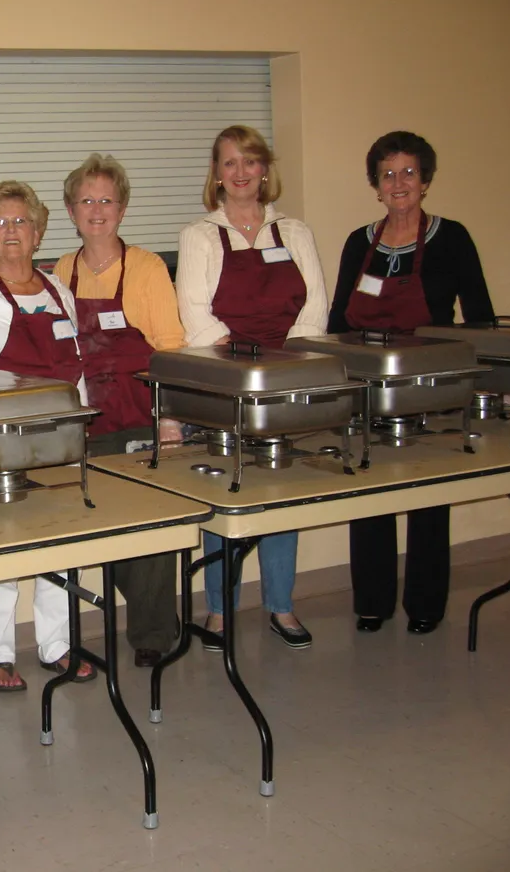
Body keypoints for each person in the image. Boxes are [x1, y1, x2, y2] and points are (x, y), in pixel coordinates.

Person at [329, 131, 495, 635]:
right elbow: (339, 319)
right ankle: (372, 603)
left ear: (425, 180)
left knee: (427, 496)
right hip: (369, 389)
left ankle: (425, 604)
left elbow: (480, 318)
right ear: (375, 185)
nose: (398, 182)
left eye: (408, 172)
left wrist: (478, 386)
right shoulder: (360, 242)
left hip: (432, 386)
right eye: (387, 173)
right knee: (370, 493)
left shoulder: (452, 237)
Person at [176, 125, 329, 649]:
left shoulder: (295, 231)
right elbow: (196, 317)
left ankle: (282, 606)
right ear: (216, 175)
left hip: (286, 381)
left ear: (265, 168)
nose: (239, 172)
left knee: (281, 492)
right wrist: (246, 370)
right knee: (228, 494)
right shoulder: (199, 234)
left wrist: (289, 367)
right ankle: (220, 610)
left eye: (249, 161)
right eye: (228, 163)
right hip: (226, 384)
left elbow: (315, 310)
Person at [0, 181, 97, 692]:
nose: (11, 231)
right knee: (4, 544)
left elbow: (76, 364)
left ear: (38, 232)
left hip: (59, 435)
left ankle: (56, 645)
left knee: (59, 539)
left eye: (21, 221)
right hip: (2, 439)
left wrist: (80, 420)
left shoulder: (58, 288)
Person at [52, 153, 186, 668]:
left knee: (147, 528)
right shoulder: (61, 272)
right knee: (105, 524)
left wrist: (169, 418)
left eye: (106, 199)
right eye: (86, 200)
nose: (97, 209)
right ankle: (138, 619)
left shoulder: (148, 268)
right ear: (70, 210)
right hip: (86, 422)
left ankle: (152, 633)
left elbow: (170, 347)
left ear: (123, 208)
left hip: (139, 417)